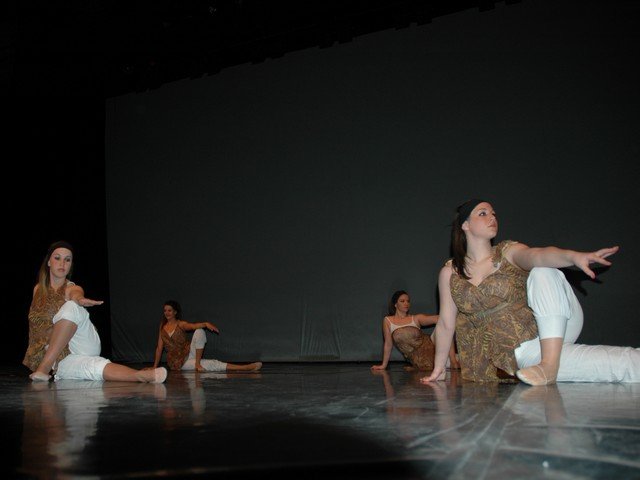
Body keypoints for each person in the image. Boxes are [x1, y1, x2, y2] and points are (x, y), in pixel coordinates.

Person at [420, 199, 639, 386]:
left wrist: (573, 257)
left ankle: (549, 366)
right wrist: (439, 368)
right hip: (526, 352)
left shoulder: (508, 252)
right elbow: (446, 323)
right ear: (465, 225)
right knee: (621, 363)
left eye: (494, 213)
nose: (492, 217)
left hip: (546, 325)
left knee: (543, 269)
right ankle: (548, 363)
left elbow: (538, 255)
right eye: (483, 213)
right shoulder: (450, 273)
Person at [23, 241, 167, 383]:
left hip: (83, 342)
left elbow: (76, 293)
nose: (62, 263)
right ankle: (141, 376)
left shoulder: (71, 288)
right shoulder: (37, 290)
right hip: (61, 355)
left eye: (67, 260)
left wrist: (80, 299)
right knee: (92, 367)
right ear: (48, 262)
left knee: (72, 306)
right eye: (57, 258)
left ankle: (44, 368)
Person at [151, 300, 262, 372]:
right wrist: (155, 367)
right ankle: (246, 367)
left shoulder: (181, 324)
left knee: (199, 331)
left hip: (188, 352)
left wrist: (205, 324)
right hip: (178, 362)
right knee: (210, 363)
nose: (167, 313)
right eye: (165, 311)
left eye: (169, 310)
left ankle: (197, 364)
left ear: (175, 312)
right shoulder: (162, 327)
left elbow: (193, 326)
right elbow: (159, 348)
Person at [371, 290, 460, 371]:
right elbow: (388, 344)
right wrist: (383, 365)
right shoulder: (388, 320)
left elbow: (441, 319)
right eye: (402, 301)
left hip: (439, 355)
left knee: (443, 325)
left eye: (408, 301)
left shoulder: (416, 318)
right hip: (421, 362)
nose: (406, 303)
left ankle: (453, 361)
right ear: (395, 304)